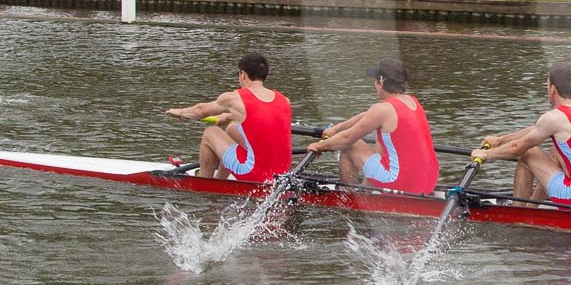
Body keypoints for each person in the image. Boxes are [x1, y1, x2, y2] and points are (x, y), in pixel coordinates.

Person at [473, 62, 571, 209]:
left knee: (528, 153)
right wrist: (499, 140)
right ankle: (531, 208)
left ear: (553, 89)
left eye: (547, 84)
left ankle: (518, 214)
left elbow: (517, 147)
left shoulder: (554, 117)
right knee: (555, 152)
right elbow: (535, 129)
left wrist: (486, 154)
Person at [306, 59, 440, 193]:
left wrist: (319, 146)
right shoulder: (412, 101)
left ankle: (348, 197)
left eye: (375, 81)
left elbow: (347, 138)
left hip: (399, 181)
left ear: (381, 83)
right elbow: (366, 115)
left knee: (350, 146)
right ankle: (368, 187)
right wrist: (336, 129)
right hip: (429, 178)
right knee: (381, 145)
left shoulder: (382, 110)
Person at [163, 53, 294, 182]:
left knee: (210, 132)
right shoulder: (284, 100)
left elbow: (201, 110)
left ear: (242, 74)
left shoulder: (234, 98)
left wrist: (180, 112)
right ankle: (220, 180)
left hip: (253, 173)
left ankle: (204, 181)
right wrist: (230, 116)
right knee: (232, 128)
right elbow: (262, 115)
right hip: (281, 175)